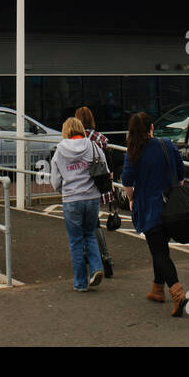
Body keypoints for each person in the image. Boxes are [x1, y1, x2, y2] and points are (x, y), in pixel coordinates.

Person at [121, 111, 189, 316]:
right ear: (151, 128)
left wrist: (132, 198)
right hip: (171, 206)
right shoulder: (166, 144)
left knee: (159, 252)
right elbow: (181, 174)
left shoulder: (133, 152)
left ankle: (177, 293)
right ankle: (157, 289)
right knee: (161, 249)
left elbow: (127, 180)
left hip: (149, 207)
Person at [50, 116, 107, 292]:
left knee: (76, 241)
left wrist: (63, 190)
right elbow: (104, 166)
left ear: (65, 131)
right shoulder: (92, 145)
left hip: (71, 199)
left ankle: (81, 283)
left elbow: (55, 180)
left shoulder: (59, 150)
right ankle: (97, 268)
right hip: (91, 198)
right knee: (90, 234)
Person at [76, 106, 115, 278]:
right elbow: (109, 164)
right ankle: (104, 255)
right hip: (99, 184)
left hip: (81, 186)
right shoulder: (101, 138)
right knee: (95, 221)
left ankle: (96, 256)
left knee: (84, 222)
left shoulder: (75, 139)